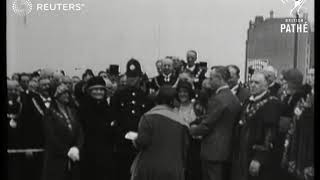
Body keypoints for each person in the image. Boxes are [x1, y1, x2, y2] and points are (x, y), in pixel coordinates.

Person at [189, 66, 241, 180]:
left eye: (211, 78)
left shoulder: (218, 99)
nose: (209, 81)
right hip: (227, 149)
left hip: (213, 150)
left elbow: (207, 125)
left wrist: (191, 129)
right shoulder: (234, 98)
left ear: (220, 79)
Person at [130, 86, 189, 180]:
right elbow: (184, 150)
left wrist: (134, 139)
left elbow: (142, 142)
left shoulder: (148, 117)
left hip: (149, 169)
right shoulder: (182, 123)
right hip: (174, 169)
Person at [231, 70, 281, 180]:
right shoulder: (248, 101)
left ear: (266, 85)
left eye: (257, 83)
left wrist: (259, 158)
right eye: (251, 82)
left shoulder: (272, 103)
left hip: (256, 156)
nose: (252, 85)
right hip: (242, 154)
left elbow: (270, 133)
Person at [112, 58, 153, 180]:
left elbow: (149, 120)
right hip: (122, 143)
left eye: (135, 76)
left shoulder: (145, 97)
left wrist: (140, 136)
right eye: (130, 76)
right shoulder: (118, 96)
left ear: (140, 77)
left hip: (140, 144)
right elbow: (114, 118)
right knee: (123, 173)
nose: (132, 80)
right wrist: (123, 134)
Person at [42, 84, 83, 180]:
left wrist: (77, 147)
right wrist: (66, 151)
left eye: (67, 93)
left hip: (74, 156)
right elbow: (51, 136)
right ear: (56, 95)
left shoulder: (72, 111)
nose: (67, 96)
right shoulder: (49, 113)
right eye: (63, 93)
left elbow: (80, 131)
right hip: (56, 158)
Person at [78, 76, 116, 180]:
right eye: (95, 89)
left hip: (107, 155)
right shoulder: (83, 109)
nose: (98, 92)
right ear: (89, 91)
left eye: (101, 90)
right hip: (89, 155)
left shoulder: (108, 108)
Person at [174, 81, 201, 180]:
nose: (182, 94)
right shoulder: (175, 109)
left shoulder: (197, 107)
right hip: (178, 147)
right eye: (180, 92)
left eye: (185, 92)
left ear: (190, 93)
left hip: (193, 147)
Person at [7, 80, 24, 180]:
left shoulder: (22, 103)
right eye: (10, 90)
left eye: (15, 89)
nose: (13, 92)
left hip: (19, 145)